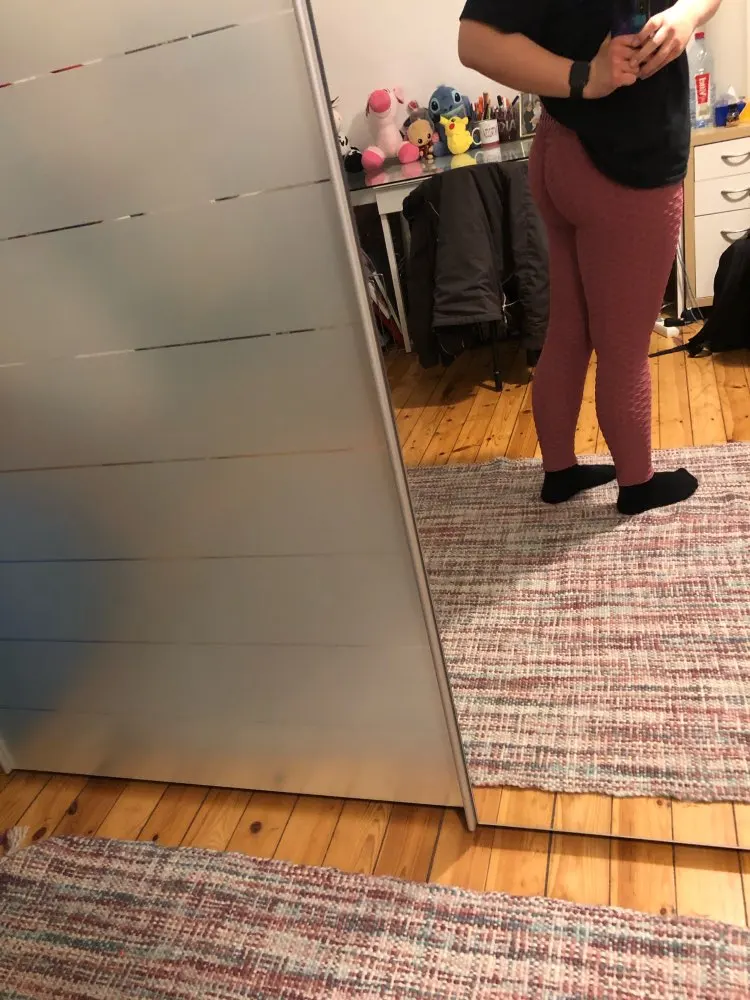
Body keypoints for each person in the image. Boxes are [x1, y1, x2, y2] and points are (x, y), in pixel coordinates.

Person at [459, 0, 722, 514]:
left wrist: (687, 14)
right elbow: (475, 42)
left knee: (569, 328)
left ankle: (560, 472)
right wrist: (587, 77)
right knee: (623, 347)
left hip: (561, 149)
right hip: (626, 164)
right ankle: (637, 484)